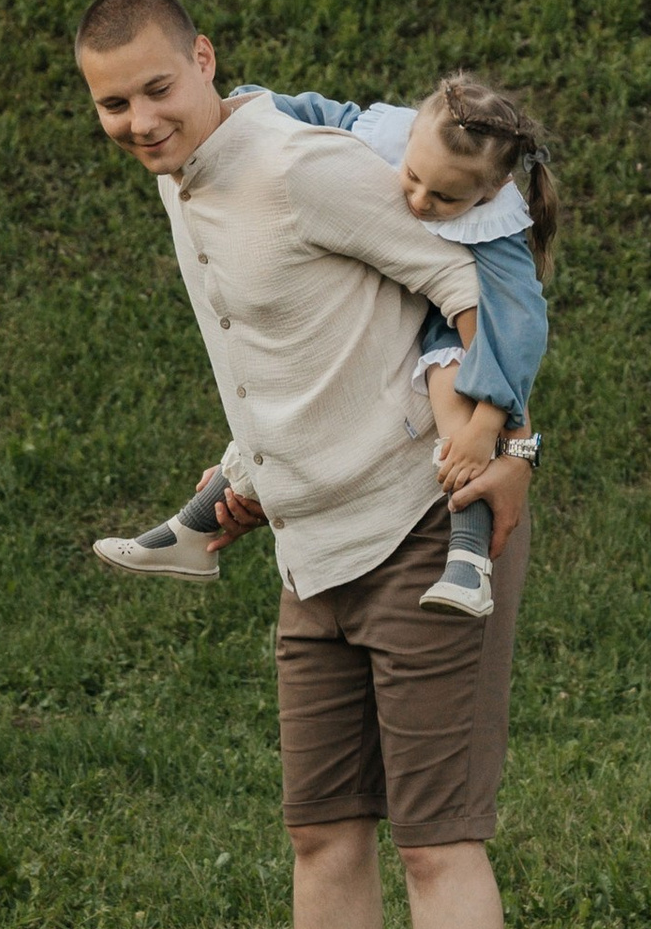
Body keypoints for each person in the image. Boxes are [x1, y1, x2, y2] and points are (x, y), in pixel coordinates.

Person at [73, 0, 539, 929]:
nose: (136, 120)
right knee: (323, 834)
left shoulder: (300, 167)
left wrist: (490, 426)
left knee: (437, 845)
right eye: (111, 103)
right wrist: (244, 472)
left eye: (156, 90)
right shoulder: (185, 183)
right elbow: (278, 351)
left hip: (419, 530)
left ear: (204, 62)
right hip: (308, 545)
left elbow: (478, 263)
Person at [96, 72, 555, 618]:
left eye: (446, 197)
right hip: (389, 307)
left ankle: (468, 560)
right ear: (409, 140)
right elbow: (313, 111)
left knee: (455, 414)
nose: (418, 200)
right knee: (278, 408)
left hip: (456, 327)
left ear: (490, 190)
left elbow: (517, 333)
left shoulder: (500, 230)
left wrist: (493, 426)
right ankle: (195, 530)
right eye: (411, 178)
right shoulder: (383, 135)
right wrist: (243, 107)